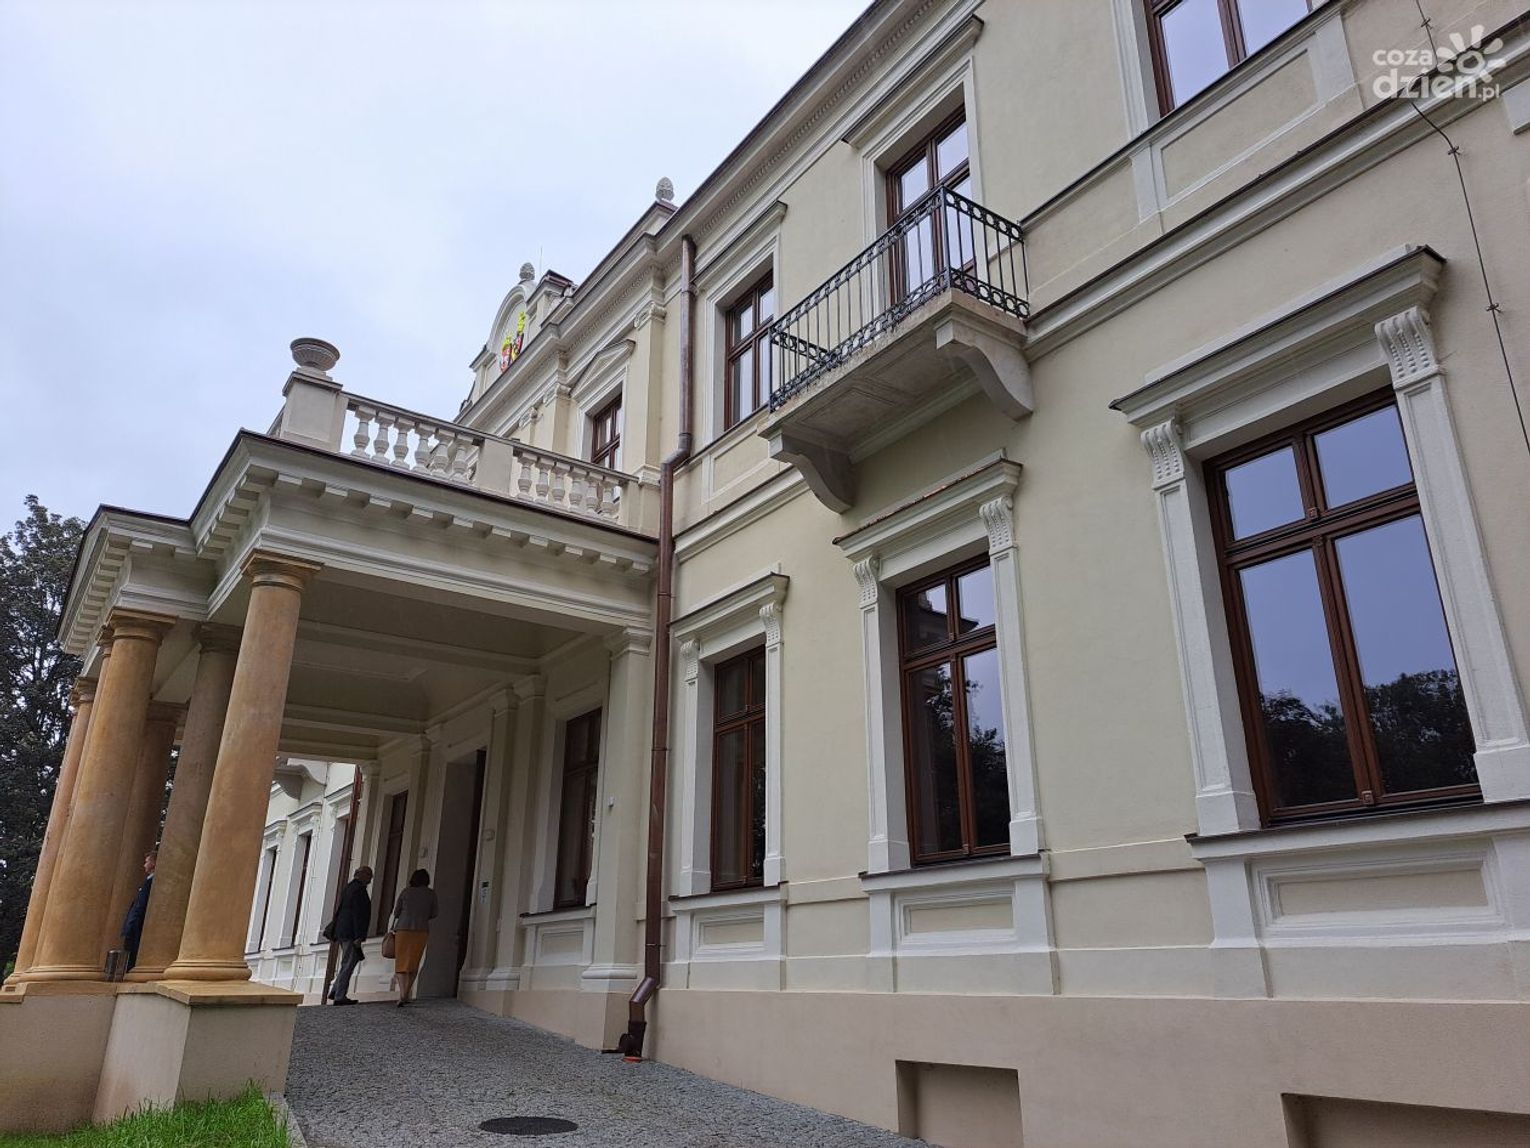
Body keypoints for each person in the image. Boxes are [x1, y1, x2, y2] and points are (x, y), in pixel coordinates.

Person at [390, 869, 437, 1007]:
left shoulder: (406, 892)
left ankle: (402, 994)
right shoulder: (431, 894)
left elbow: (396, 912)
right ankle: (406, 993)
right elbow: (435, 913)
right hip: (421, 931)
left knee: (401, 963)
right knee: (413, 962)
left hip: (403, 930)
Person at [327, 865, 372, 1005]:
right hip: (351, 932)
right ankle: (339, 995)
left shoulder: (349, 888)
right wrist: (359, 936)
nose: (370, 879)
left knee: (347, 961)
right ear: (361, 874)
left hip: (343, 930)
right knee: (348, 963)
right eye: (369, 875)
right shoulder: (359, 890)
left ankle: (336, 990)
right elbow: (358, 914)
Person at [120, 850, 156, 971]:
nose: (144, 865)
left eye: (146, 862)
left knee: (132, 955)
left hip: (137, 925)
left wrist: (132, 924)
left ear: (153, 863)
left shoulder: (152, 882)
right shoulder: (147, 881)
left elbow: (141, 905)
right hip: (134, 924)